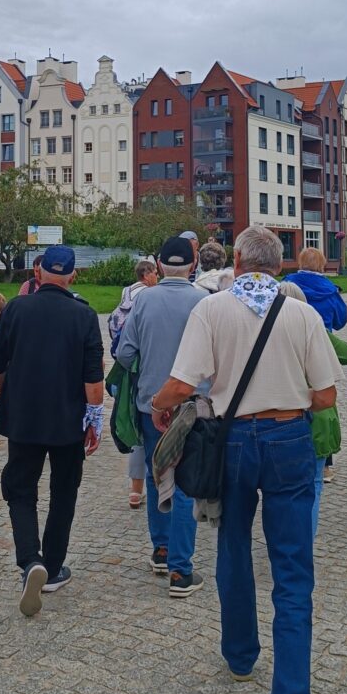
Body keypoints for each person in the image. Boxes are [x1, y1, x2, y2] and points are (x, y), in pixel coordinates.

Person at [151, 226, 339, 694]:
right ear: (280, 264)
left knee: (233, 545)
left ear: (237, 259)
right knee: (293, 565)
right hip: (290, 437)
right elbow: (327, 395)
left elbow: (180, 385)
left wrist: (159, 405)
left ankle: (240, 655)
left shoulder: (211, 309)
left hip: (230, 439)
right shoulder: (302, 314)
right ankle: (292, 690)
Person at [0, 245, 104, 616]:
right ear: (71, 275)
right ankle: (52, 566)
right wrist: (94, 420)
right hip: (68, 419)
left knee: (20, 489)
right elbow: (93, 379)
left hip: (23, 414)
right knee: (64, 490)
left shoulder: (17, 308)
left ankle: (29, 559)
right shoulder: (83, 315)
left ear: (38, 274)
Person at [116, 237, 208, 596]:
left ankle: (161, 548)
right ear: (192, 262)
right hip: (194, 406)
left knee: (157, 476)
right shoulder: (205, 301)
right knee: (186, 481)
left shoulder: (143, 301)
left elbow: (124, 353)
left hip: (151, 404)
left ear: (158, 263)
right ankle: (180, 570)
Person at [284, 246, 346, 483]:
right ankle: (325, 463)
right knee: (324, 400)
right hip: (322, 344)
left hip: (289, 344)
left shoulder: (288, 285)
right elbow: (341, 319)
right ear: (321, 264)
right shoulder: (330, 291)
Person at [106, 260, 159, 508]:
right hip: (145, 369)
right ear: (146, 275)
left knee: (136, 430)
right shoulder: (149, 297)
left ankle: (135, 490)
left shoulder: (125, 295)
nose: (157, 277)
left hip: (126, 372)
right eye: (155, 273)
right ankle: (160, 484)